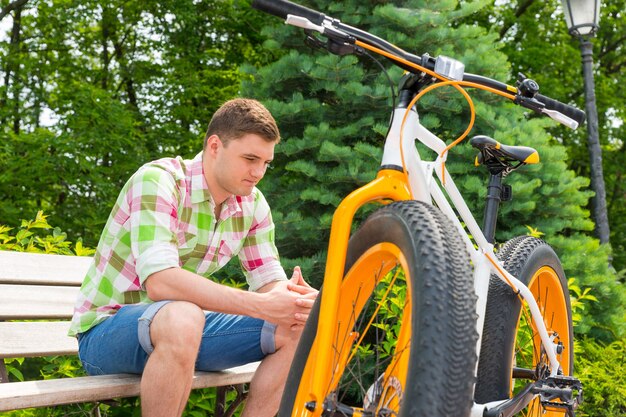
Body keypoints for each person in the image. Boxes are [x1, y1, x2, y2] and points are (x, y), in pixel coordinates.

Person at [68, 98, 318, 417]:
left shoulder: (252, 204)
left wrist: (299, 302)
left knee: (298, 327)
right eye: (250, 158)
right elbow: (160, 283)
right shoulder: (160, 180)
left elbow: (270, 283)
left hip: (186, 331)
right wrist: (261, 305)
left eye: (266, 163)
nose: (258, 172)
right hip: (107, 332)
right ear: (215, 146)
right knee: (183, 315)